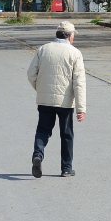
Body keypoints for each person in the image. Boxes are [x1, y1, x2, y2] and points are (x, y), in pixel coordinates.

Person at [26, 21, 86, 178]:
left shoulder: (43, 49)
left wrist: (40, 89)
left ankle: (38, 154)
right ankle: (66, 168)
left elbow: (31, 73)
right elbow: (79, 83)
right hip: (65, 102)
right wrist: (81, 108)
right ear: (70, 36)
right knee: (66, 134)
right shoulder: (75, 53)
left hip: (45, 99)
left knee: (43, 130)